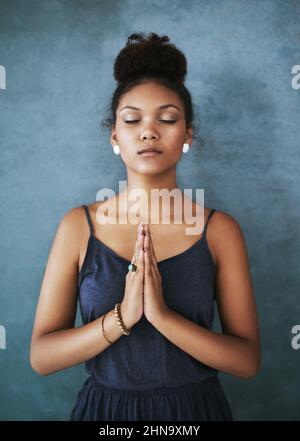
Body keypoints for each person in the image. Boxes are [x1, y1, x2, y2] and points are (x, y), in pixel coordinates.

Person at [30, 32, 261, 421]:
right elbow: (42, 356)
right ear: (115, 137)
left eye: (167, 119)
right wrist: (122, 317)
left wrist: (162, 317)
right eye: (132, 119)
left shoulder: (221, 231)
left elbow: (246, 361)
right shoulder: (77, 226)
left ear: (187, 135)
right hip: (105, 414)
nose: (149, 131)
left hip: (195, 414)